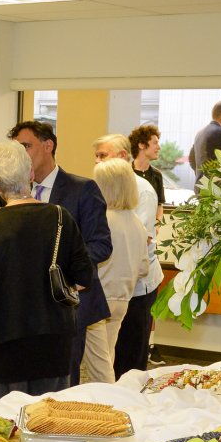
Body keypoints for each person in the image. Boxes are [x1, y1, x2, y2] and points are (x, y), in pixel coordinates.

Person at [0, 141, 97, 396]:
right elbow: (85, 276)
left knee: (2, 425)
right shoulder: (61, 217)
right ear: (30, 175)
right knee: (47, 421)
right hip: (53, 338)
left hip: (5, 340)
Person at [7, 120, 110, 388]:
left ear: (48, 145)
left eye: (25, 147)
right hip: (25, 303)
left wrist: (62, 268)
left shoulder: (81, 189)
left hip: (68, 301)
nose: (21, 155)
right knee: (25, 377)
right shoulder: (14, 194)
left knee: (64, 379)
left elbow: (100, 244)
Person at [83, 159, 155, 384]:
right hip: (122, 298)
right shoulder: (136, 222)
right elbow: (144, 267)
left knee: (99, 365)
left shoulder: (101, 219)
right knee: (108, 356)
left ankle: (109, 405)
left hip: (98, 299)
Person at [117, 124, 167, 376]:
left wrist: (150, 229)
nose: (159, 146)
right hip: (124, 265)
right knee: (123, 338)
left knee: (135, 334)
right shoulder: (124, 176)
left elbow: (158, 209)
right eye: (155, 142)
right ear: (141, 145)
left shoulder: (153, 179)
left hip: (143, 262)